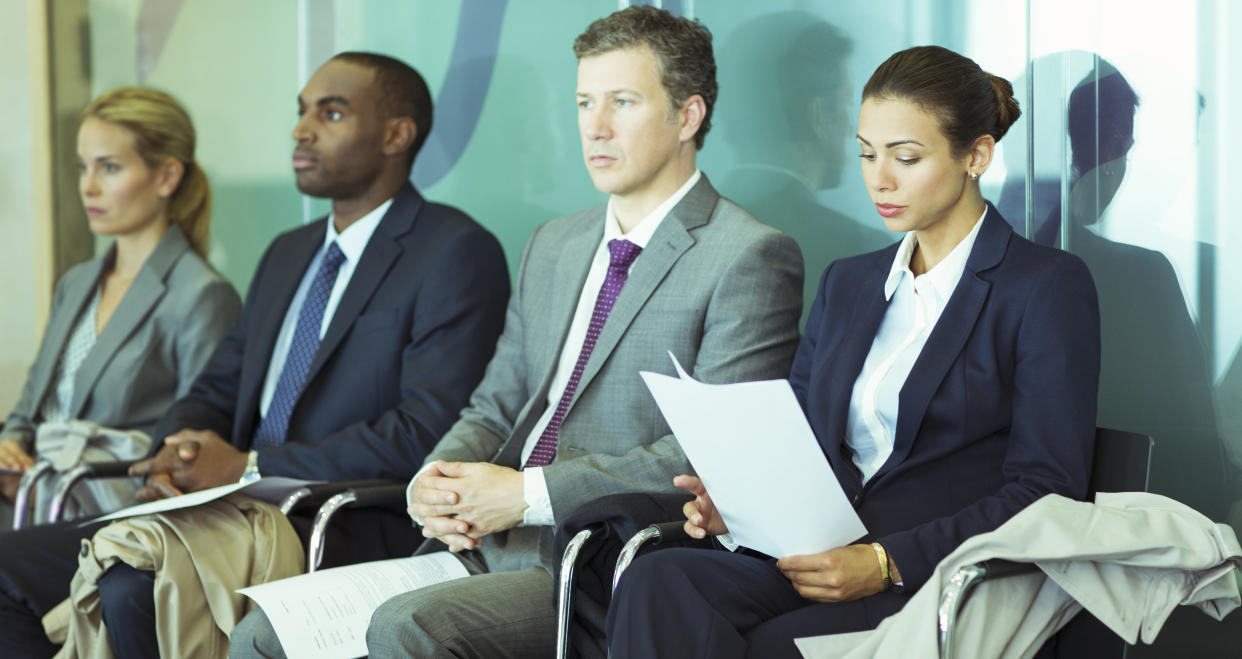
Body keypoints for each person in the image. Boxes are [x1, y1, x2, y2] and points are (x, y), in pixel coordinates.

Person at [229, 6, 804, 659]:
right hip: (481, 542)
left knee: (406, 627)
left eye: (623, 101)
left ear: (688, 116)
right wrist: (435, 477)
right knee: (261, 633)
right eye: (585, 101)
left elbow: (709, 456)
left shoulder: (747, 254)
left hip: (597, 561)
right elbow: (494, 404)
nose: (597, 126)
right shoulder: (554, 245)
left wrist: (528, 495)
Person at [0, 52, 510, 657]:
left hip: (334, 518)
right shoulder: (288, 253)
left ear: (397, 135)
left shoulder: (453, 251)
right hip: (222, 512)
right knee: (8, 569)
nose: (301, 129)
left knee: (132, 581)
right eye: (301, 112)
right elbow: (216, 387)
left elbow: (426, 431)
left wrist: (249, 467)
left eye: (332, 112)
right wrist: (177, 451)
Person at [605, 45, 1102, 658]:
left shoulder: (1042, 287)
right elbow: (806, 432)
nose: (879, 178)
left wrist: (886, 562)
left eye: (906, 157)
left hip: (929, 574)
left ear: (976, 155)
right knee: (659, 580)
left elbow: (1048, 488)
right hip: (817, 553)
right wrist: (739, 502)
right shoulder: (850, 282)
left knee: (768, 644)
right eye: (867, 153)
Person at [0, 87, 241, 527]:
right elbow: (30, 408)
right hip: (29, 499)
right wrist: (10, 448)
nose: (88, 187)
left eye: (109, 168)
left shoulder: (201, 295)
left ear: (168, 177)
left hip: (110, 515)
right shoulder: (76, 282)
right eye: (83, 167)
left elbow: (191, 447)